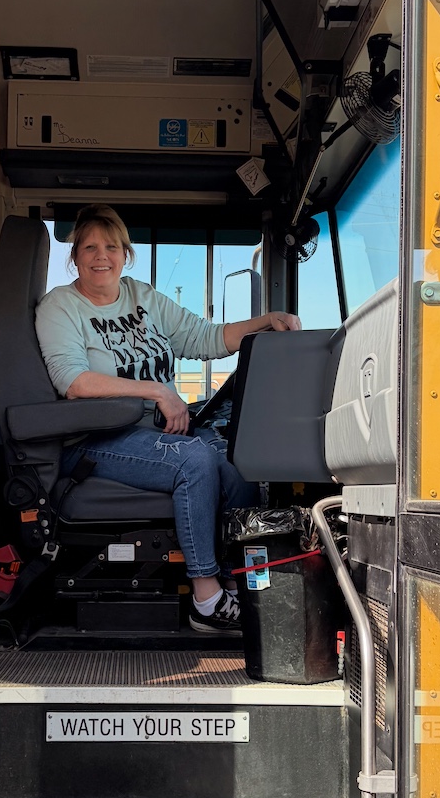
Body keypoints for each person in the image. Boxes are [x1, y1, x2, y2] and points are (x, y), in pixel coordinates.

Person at [35, 204, 301, 634]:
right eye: (89, 247)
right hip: (95, 438)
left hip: (155, 430)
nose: (101, 256)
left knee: (237, 458)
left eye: (111, 246)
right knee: (194, 460)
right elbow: (73, 381)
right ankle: (206, 599)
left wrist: (266, 322)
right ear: (75, 257)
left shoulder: (142, 296)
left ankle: (242, 585)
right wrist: (158, 391)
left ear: (125, 253)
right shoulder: (60, 306)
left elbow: (206, 337)